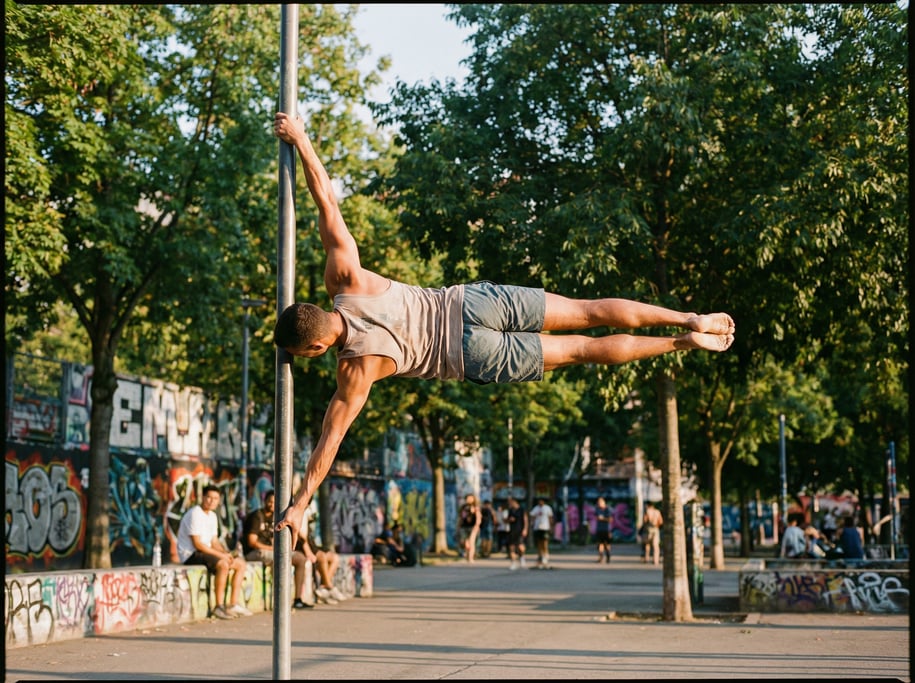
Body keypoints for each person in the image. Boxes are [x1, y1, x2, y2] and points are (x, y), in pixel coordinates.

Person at [270, 111, 736, 542]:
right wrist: (302, 139)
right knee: (590, 309)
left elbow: (329, 443)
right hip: (475, 302)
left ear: (313, 348)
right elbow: (326, 202)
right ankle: (688, 318)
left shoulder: (356, 369)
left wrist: (299, 504)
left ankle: (680, 342)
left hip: (470, 356)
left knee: (581, 351)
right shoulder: (345, 278)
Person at [177, 485, 253, 619]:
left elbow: (214, 541)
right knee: (223, 564)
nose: (212, 501)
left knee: (240, 564)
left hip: (206, 552)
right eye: (209, 498)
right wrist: (221, 556)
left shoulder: (212, 516)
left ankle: (233, 604)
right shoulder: (195, 513)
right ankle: (218, 607)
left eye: (215, 498)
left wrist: (226, 553)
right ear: (203, 497)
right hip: (191, 554)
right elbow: (198, 544)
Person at [242, 489, 312, 609]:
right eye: (269, 501)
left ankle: (298, 599)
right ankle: (279, 601)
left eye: (274, 502)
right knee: (281, 559)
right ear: (265, 502)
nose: (271, 504)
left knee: (300, 559)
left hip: (271, 551)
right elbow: (252, 542)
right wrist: (272, 548)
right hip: (254, 552)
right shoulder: (257, 516)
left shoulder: (277, 517)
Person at [297, 504, 348, 604]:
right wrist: (308, 552)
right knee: (322, 557)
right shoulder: (298, 513)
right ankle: (329, 586)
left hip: (311, 543)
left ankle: (324, 586)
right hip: (302, 545)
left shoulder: (308, 512)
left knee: (334, 557)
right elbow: (301, 536)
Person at [529, 497, 554, 569]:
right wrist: (532, 523)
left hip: (545, 527)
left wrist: (551, 527)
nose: (540, 502)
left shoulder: (547, 508)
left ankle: (546, 556)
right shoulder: (536, 508)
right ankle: (540, 556)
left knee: (545, 542)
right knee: (539, 543)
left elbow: (550, 517)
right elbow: (533, 516)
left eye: (541, 501)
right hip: (537, 527)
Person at [458, 493, 482, 562]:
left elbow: (478, 517)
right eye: (468, 498)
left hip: (473, 527)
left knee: (472, 542)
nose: (469, 499)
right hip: (464, 526)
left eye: (471, 498)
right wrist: (459, 525)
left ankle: (471, 558)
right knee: (466, 542)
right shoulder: (463, 507)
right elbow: (461, 517)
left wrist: (477, 525)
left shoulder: (475, 507)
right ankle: (467, 555)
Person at [506, 496, 528, 570]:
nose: (509, 504)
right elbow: (507, 520)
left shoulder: (521, 510)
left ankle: (522, 558)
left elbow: (525, 520)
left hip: (520, 530)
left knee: (520, 546)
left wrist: (525, 529)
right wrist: (509, 520)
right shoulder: (510, 510)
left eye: (510, 502)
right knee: (512, 547)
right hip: (512, 530)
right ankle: (513, 562)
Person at [641, 501, 663, 566]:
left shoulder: (647, 511)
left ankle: (646, 558)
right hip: (656, 529)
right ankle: (655, 560)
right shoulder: (657, 512)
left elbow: (644, 520)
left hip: (648, 529)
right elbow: (661, 521)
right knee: (655, 546)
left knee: (647, 544)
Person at [594, 497, 613, 563]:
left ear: (603, 502)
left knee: (607, 544)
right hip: (599, 529)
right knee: (600, 544)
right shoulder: (597, 509)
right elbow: (596, 517)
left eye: (600, 502)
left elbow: (610, 519)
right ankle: (601, 557)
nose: (599, 504)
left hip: (607, 530)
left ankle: (608, 556)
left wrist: (603, 519)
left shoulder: (608, 509)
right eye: (598, 503)